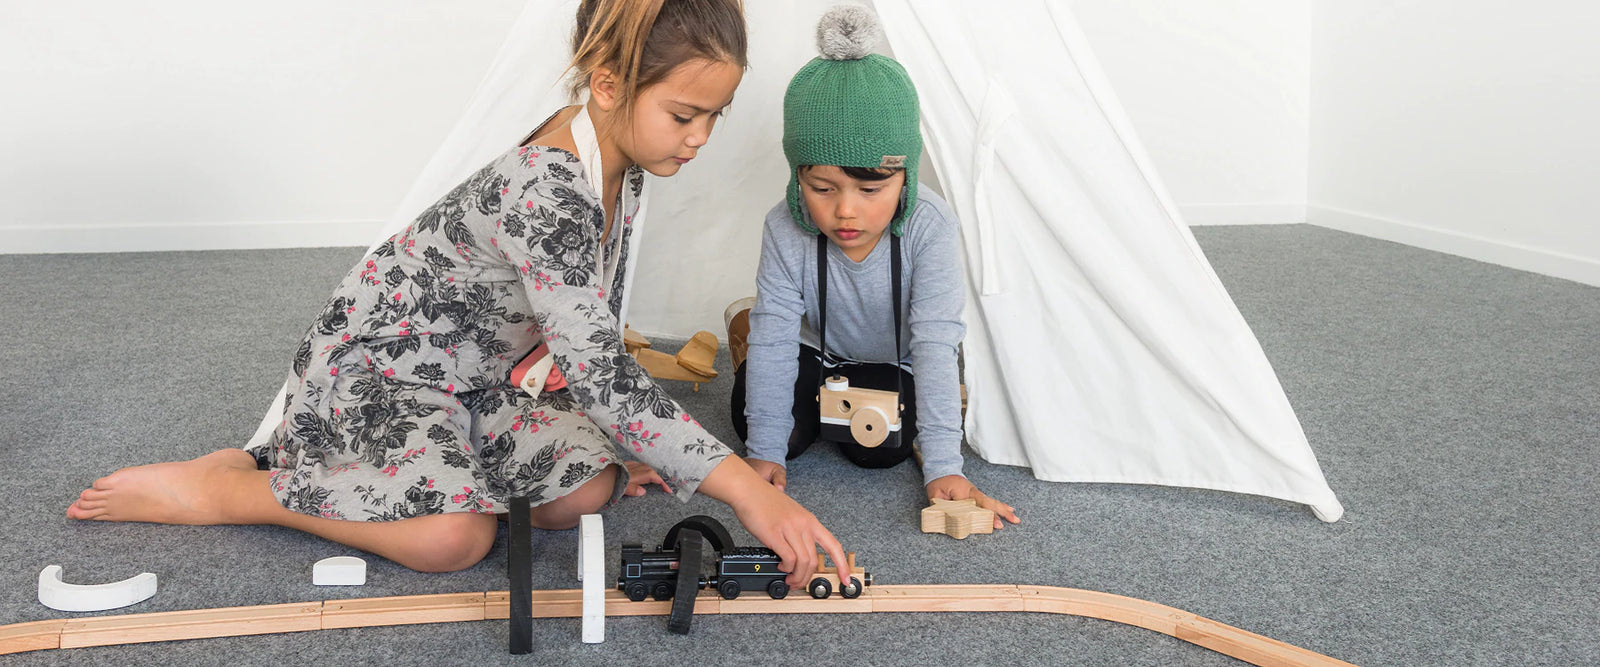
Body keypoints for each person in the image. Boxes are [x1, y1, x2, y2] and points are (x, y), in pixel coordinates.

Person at [66, 0, 852, 586]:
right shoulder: (549, 183)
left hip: (473, 383)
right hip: (379, 376)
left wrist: (627, 437)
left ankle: (444, 471)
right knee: (455, 540)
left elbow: (582, 332)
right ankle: (236, 488)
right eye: (686, 114)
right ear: (608, 84)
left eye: (716, 115)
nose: (703, 138)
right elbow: (602, 372)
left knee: (592, 484)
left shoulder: (627, 163)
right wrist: (745, 489)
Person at [730, 5, 1019, 529]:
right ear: (798, 179)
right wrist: (765, 451)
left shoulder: (931, 227)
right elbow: (774, 337)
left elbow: (934, 341)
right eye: (821, 189)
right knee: (766, 429)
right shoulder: (784, 226)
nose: (845, 210)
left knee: (879, 449)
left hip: (892, 362)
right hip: (816, 351)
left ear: (904, 177)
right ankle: (747, 346)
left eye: (870, 190)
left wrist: (943, 466)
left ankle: (854, 414)